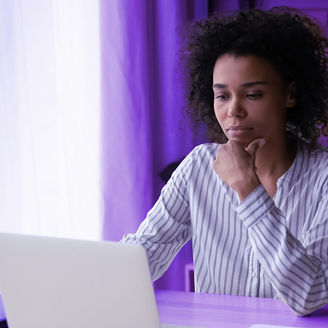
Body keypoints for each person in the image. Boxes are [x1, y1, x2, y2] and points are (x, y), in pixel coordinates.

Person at [122, 7, 328, 316]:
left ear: (290, 94)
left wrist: (249, 191)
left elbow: (308, 295)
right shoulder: (198, 168)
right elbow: (144, 255)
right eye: (222, 96)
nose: (234, 111)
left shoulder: (323, 177)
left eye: (253, 94)